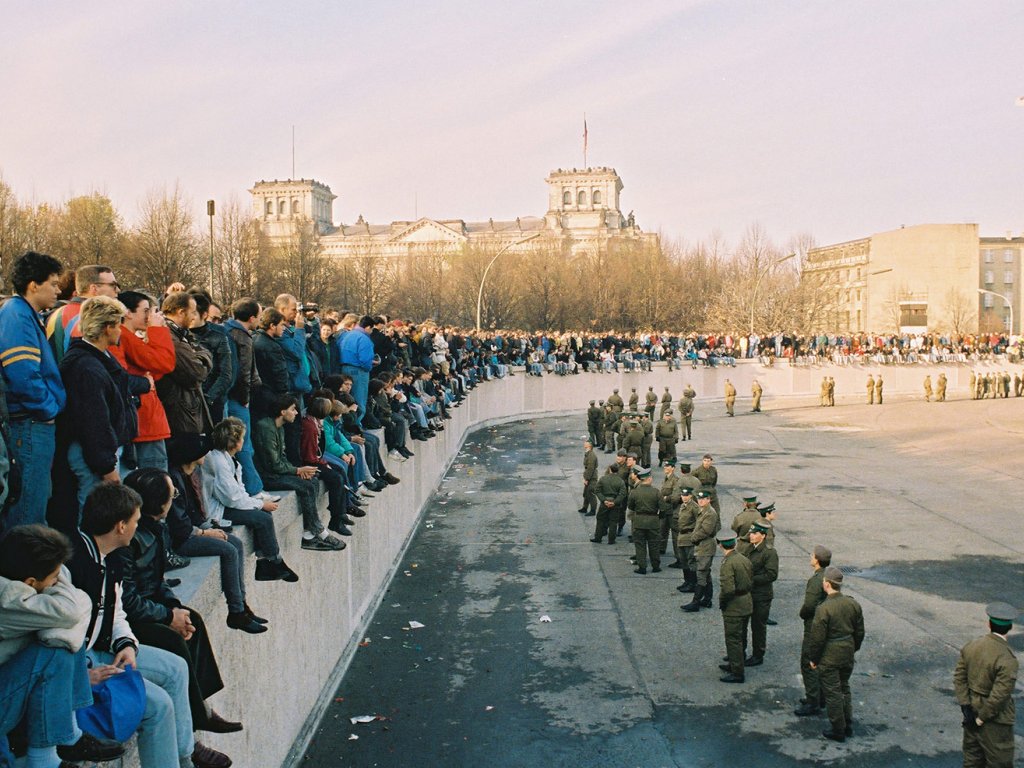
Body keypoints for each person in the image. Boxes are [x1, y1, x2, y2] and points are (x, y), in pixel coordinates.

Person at [68, 482, 232, 768]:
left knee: (176, 668)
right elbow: (56, 636)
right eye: (134, 520)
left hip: (105, 649)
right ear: (121, 526)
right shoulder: (75, 564)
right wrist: (81, 675)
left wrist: (127, 644)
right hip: (81, 663)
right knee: (158, 706)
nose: (137, 525)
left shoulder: (109, 557)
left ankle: (185, 757)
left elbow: (116, 612)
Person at [114, 469, 244, 736]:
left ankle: (202, 707)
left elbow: (158, 580)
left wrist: (174, 608)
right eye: (172, 493)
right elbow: (126, 600)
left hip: (149, 606)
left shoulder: (155, 530)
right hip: (129, 620)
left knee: (191, 619)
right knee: (173, 641)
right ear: (159, 503)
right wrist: (166, 616)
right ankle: (197, 717)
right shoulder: (128, 541)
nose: (175, 497)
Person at [0, 524, 125, 768]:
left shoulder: (23, 584)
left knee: (64, 634)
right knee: (57, 647)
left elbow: (70, 607)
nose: (60, 579)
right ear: (31, 581)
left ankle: (69, 736)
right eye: (54, 578)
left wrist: (58, 580)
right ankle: (46, 758)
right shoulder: (8, 598)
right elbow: (70, 612)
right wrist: (67, 597)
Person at [166, 434, 267, 634]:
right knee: (229, 550)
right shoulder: (175, 480)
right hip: (182, 540)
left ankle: (242, 605)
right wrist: (204, 533)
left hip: (194, 530)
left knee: (236, 543)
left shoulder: (190, 474)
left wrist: (208, 528)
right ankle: (236, 612)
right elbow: (179, 526)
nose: (208, 455)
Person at [0, 251, 66, 532]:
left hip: (32, 421)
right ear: (33, 285)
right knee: (28, 508)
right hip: (28, 423)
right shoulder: (16, 315)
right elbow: (24, 375)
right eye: (53, 283)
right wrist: (47, 409)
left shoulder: (26, 314)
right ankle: (26, 571)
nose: (58, 289)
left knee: (37, 501)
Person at [58, 296, 138, 512]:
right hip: (93, 455)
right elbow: (93, 421)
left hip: (101, 451)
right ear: (107, 327)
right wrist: (106, 465)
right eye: (118, 324)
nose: (121, 330)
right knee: (96, 511)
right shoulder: (86, 367)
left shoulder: (98, 358)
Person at [202, 418, 297, 582]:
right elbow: (231, 498)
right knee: (263, 518)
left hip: (226, 504)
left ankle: (264, 564)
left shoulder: (228, 458)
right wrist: (260, 504)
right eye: (242, 438)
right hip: (217, 510)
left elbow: (238, 491)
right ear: (234, 441)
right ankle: (275, 561)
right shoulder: (217, 461)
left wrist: (255, 504)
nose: (244, 442)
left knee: (260, 515)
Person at [253, 394, 344, 551]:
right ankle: (319, 531)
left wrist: (299, 471)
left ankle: (308, 534)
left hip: (277, 471)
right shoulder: (266, 428)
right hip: (268, 476)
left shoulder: (278, 427)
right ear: (282, 412)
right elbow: (273, 464)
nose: (296, 413)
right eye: (293, 409)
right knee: (306, 487)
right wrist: (297, 470)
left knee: (313, 479)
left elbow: (281, 458)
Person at [110, 290, 176, 473]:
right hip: (144, 422)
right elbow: (164, 362)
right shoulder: (125, 336)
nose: (150, 316)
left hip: (144, 420)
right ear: (128, 313)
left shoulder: (127, 337)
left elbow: (157, 369)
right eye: (146, 311)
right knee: (155, 478)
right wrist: (157, 330)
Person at [953, 602, 1018, 767]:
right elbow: (1000, 696)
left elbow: (960, 678)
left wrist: (966, 707)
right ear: (1010, 627)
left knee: (972, 761)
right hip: (995, 722)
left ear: (989, 624)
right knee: (999, 763)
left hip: (971, 713)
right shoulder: (1007, 658)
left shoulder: (972, 646)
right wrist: (981, 719)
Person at [807, 565, 865, 742]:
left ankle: (838, 729)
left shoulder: (824, 608)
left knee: (832, 692)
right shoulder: (853, 603)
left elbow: (817, 639)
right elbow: (860, 632)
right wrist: (852, 647)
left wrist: (813, 659)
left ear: (826, 584)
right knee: (844, 688)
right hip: (847, 651)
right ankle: (847, 724)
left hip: (830, 654)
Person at [155, 292, 213, 439]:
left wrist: (200, 356)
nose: (195, 316)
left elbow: (202, 352)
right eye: (193, 312)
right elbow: (196, 372)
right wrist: (203, 358)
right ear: (181, 312)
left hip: (185, 407)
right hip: (179, 410)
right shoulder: (171, 336)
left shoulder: (182, 334)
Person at [45, 264, 120, 364]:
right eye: (113, 285)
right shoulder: (89, 319)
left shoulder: (57, 313)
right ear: (94, 289)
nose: (117, 290)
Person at [795, 545, 832, 716]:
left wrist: (802, 614)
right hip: (825, 623)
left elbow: (809, 606)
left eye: (812, 555)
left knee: (808, 661)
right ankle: (820, 697)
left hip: (814, 624)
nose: (810, 557)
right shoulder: (827, 576)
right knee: (820, 660)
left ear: (817, 560)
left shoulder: (816, 580)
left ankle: (813, 701)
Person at [737, 519, 778, 667]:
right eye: (751, 532)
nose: (751, 535)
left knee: (758, 626)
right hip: (748, 593)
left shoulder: (769, 552)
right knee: (742, 624)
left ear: (763, 535)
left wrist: (750, 579)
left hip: (761, 595)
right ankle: (739, 653)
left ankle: (758, 655)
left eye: (754, 533)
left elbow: (771, 575)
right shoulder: (749, 548)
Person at [716, 529, 753, 683]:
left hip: (734, 606)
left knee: (733, 638)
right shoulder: (744, 559)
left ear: (720, 545)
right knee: (741, 635)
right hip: (746, 601)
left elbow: (728, 589)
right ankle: (736, 661)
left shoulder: (727, 563)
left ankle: (737, 671)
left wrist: (722, 602)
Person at [682, 489, 720, 612]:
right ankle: (707, 599)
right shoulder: (702, 510)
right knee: (706, 573)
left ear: (709, 499)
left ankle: (695, 602)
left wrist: (693, 537)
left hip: (706, 545)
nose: (701, 501)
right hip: (701, 545)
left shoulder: (710, 513)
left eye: (704, 499)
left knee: (701, 574)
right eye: (699, 499)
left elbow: (705, 531)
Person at [338, 315, 375, 423]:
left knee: (347, 398)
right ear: (368, 327)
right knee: (359, 399)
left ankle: (348, 424)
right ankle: (357, 425)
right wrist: (370, 366)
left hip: (344, 368)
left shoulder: (346, 335)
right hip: (359, 371)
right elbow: (365, 360)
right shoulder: (364, 339)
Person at [626, 466, 660, 574]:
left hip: (639, 521)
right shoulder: (656, 492)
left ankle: (642, 567)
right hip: (653, 521)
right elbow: (663, 508)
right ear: (649, 479)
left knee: (640, 545)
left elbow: (630, 506)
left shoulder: (634, 492)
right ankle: (656, 566)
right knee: (654, 545)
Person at [673, 486, 700, 593]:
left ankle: (692, 583)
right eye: (682, 495)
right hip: (681, 536)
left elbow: (699, 522)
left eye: (686, 495)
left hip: (689, 536)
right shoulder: (683, 506)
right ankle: (687, 581)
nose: (684, 497)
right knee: (683, 560)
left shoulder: (694, 507)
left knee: (691, 560)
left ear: (691, 496)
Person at [591, 465, 626, 545]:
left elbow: (597, 490)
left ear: (610, 470)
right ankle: (611, 540)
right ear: (617, 471)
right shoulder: (620, 481)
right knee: (613, 522)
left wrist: (604, 500)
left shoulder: (603, 479)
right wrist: (615, 502)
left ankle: (598, 537)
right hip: (615, 504)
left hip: (604, 503)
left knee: (600, 520)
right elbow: (622, 494)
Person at [579, 440, 598, 516]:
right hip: (589, 475)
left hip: (591, 477)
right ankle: (585, 508)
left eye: (586, 443)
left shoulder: (591, 456)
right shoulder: (588, 454)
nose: (584, 444)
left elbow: (590, 468)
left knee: (590, 493)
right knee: (586, 493)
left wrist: (586, 479)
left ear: (589, 446)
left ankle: (593, 510)